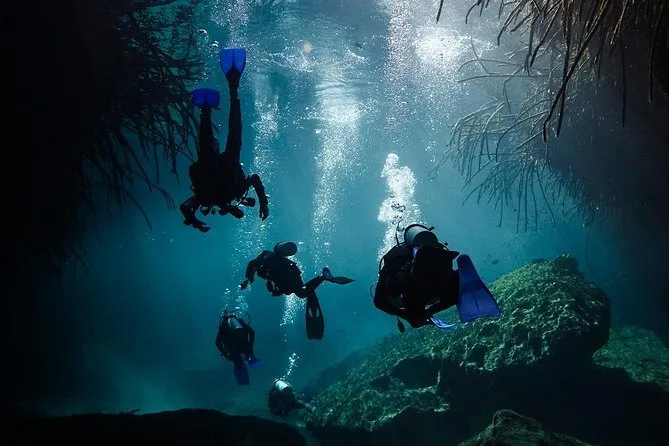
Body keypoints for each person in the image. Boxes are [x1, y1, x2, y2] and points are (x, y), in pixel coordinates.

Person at [180, 48, 269, 233]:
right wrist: (193, 220)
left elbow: (254, 178)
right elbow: (185, 208)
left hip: (222, 169)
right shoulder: (207, 197)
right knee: (215, 143)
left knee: (234, 135)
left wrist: (263, 203)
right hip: (221, 169)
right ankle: (208, 110)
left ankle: (231, 91)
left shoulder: (208, 196)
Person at [374, 223, 500, 332]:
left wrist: (406, 315)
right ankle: (456, 277)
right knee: (448, 288)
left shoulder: (391, 281)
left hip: (416, 283)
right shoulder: (397, 263)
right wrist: (428, 312)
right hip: (438, 266)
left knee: (417, 319)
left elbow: (379, 302)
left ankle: (451, 277)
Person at [240, 241, 354, 340]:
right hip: (290, 269)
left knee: (299, 293)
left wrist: (247, 279)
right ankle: (322, 277)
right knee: (301, 291)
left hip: (283, 273)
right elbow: (253, 265)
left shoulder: (265, 259)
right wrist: (248, 278)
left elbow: (252, 264)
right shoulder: (270, 257)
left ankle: (322, 277)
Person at [215, 308, 262, 385]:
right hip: (245, 348)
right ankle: (249, 359)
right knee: (245, 357)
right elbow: (252, 332)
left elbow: (217, 342)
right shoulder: (239, 320)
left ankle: (243, 379)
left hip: (233, 352)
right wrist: (251, 348)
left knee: (237, 362)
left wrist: (225, 354)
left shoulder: (223, 324)